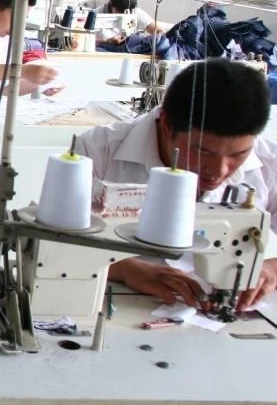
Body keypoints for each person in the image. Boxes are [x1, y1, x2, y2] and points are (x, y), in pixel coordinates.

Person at [76, 59, 277, 310]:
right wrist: (123, 268)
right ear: (167, 124)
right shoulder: (97, 152)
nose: (219, 171)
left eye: (238, 154)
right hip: (115, 304)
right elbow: (53, 246)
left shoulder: (269, 164)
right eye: (203, 152)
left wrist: (272, 269)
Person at [95, 0, 166, 55]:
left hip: (131, 52)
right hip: (106, 51)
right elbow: (88, 42)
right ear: (111, 3)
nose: (123, 15)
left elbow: (161, 32)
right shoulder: (96, 14)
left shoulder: (136, 12)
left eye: (126, 12)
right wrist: (106, 41)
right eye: (120, 11)